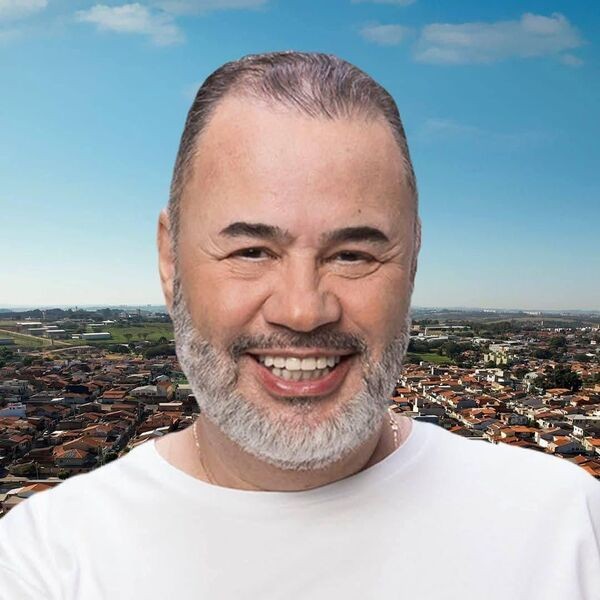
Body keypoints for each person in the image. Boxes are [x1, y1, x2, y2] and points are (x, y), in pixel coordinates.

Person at [0, 50, 599, 599]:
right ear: (170, 261)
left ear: (413, 261)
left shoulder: (566, 527)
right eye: (252, 251)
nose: (304, 310)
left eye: (353, 255)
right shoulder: (46, 562)